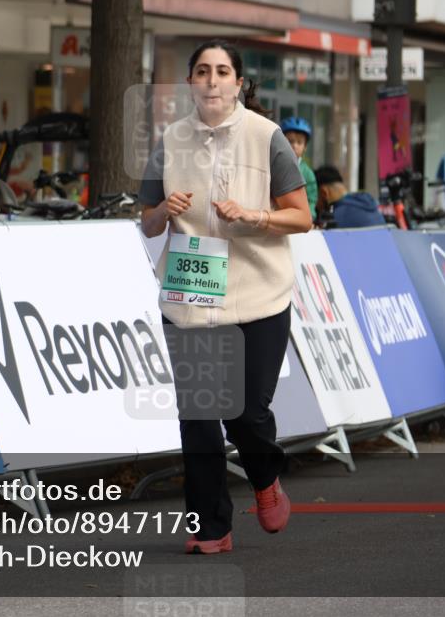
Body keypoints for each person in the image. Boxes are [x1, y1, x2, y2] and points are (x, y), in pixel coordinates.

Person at [139, 39, 312, 555]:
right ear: (191, 82)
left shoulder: (267, 137)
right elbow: (145, 223)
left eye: (222, 72)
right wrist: (162, 211)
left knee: (245, 414)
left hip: (257, 294)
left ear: (239, 83)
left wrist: (254, 217)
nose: (211, 80)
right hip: (190, 294)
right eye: (201, 71)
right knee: (197, 416)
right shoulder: (170, 141)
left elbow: (302, 216)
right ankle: (210, 528)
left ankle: (264, 477)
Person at [315, 165, 385, 229]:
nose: (316, 206)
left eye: (315, 198)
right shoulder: (372, 208)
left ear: (323, 193)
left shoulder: (335, 218)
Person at [280, 116, 318, 223]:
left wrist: (309, 218)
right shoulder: (273, 166)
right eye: (290, 141)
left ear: (305, 147)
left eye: (299, 142)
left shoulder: (308, 173)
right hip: (276, 218)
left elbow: (311, 200)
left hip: (298, 221)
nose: (294, 145)